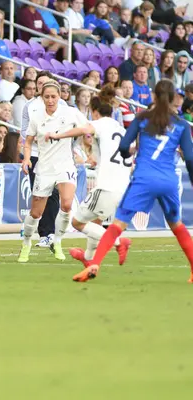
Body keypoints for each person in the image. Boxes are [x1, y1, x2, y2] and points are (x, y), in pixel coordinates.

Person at [74, 80, 193, 283]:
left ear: (153, 96)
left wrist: (129, 152)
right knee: (177, 226)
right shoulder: (181, 125)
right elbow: (189, 157)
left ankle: (94, 264)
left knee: (117, 224)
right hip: (168, 181)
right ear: (174, 99)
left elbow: (124, 145)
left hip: (144, 179)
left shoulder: (142, 119)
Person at [44, 91, 133, 269]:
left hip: (107, 186)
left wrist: (57, 135)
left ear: (95, 113)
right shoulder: (122, 130)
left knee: (77, 222)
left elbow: (85, 129)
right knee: (96, 221)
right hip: (124, 188)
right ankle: (88, 258)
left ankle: (118, 243)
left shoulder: (101, 124)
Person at [18, 80, 89, 263]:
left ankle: (57, 242)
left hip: (65, 165)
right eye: (47, 97)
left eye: (53, 97)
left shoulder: (70, 112)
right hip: (45, 167)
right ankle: (26, 243)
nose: (50, 100)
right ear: (42, 97)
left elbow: (86, 128)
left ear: (60, 97)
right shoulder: (36, 117)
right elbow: (27, 142)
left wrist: (69, 137)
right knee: (36, 212)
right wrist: (26, 159)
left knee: (66, 204)